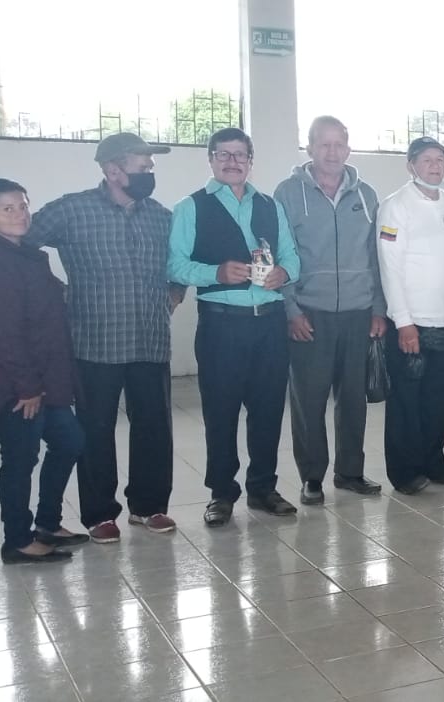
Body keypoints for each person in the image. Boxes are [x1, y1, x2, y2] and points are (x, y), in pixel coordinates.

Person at [24, 133, 177, 542]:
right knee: (95, 429)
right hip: (95, 342)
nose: (149, 174)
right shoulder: (72, 210)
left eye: (150, 167)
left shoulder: (161, 217)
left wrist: (175, 292)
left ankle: (149, 506)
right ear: (113, 170)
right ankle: (99, 514)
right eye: (142, 167)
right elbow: (20, 241)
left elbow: (180, 263)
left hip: (150, 341)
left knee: (154, 427)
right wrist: (52, 289)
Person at [168, 128, 302, 526]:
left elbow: (292, 256)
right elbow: (174, 265)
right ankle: (222, 493)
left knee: (268, 409)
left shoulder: (269, 205)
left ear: (250, 161)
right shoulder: (191, 207)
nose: (232, 161)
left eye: (240, 155)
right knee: (221, 411)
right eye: (223, 154)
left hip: (269, 324)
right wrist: (216, 273)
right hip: (221, 325)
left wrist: (283, 273)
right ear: (210, 159)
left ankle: (263, 488)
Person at [0, 179, 88, 563]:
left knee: (69, 441)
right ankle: (17, 541)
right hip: (15, 385)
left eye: (23, 205)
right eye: (8, 208)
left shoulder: (26, 253)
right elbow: (1, 335)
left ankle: (48, 523)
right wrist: (27, 387)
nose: (20, 214)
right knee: (20, 459)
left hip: (44, 377)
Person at [272, 116, 387, 506]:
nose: (332, 152)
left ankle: (350, 472)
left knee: (353, 399)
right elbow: (280, 254)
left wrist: (378, 308)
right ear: (309, 148)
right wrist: (291, 310)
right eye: (324, 144)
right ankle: (312, 477)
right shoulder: (288, 193)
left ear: (349, 150)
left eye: (339, 145)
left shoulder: (366, 195)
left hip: (358, 312)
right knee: (309, 400)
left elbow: (376, 255)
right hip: (310, 313)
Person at [376, 136, 444, 495]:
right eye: (428, 160)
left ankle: (435, 464)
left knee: (435, 400)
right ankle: (404, 473)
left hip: (443, 320)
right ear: (411, 165)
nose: (435, 166)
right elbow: (390, 267)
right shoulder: (395, 206)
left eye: (441, 160)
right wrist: (403, 322)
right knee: (406, 401)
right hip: (410, 322)